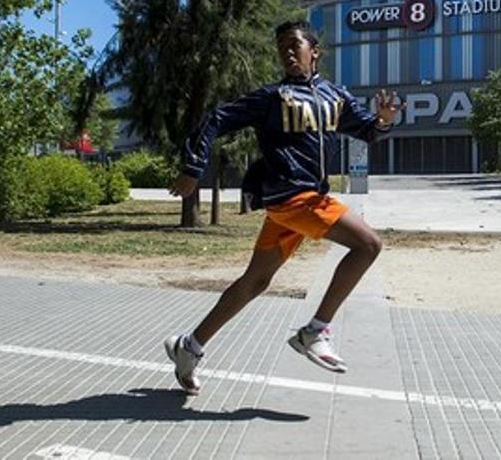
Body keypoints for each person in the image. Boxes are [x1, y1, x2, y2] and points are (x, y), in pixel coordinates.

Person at [163, 20, 400, 395]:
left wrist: (385, 120)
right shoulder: (273, 98)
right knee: (368, 244)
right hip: (292, 197)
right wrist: (193, 168)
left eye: (295, 45)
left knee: (255, 282)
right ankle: (316, 330)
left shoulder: (336, 96)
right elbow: (214, 119)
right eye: (282, 48)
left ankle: (188, 347)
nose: (288, 53)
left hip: (300, 201)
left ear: (314, 51)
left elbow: (368, 130)